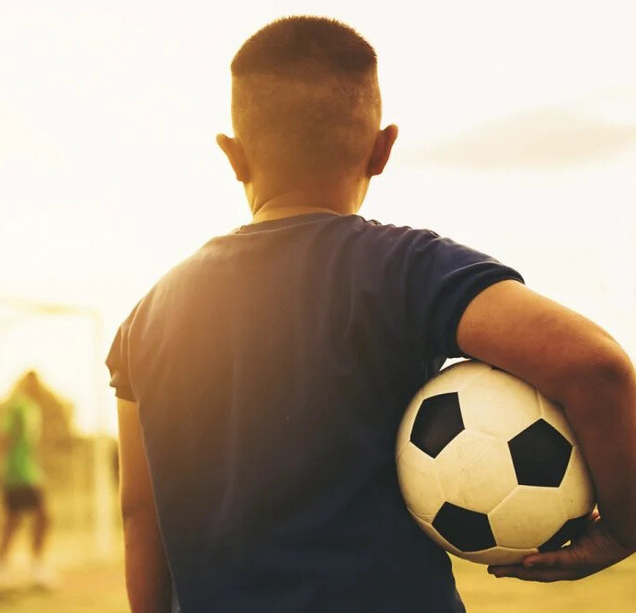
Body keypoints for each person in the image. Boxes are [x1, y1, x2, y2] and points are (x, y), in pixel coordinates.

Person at [106, 15, 636, 613]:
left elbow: (139, 513)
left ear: (233, 155)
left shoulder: (145, 318)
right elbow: (595, 366)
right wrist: (624, 526)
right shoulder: (405, 270)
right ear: (383, 150)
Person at [0, 371, 53, 587]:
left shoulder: (33, 408)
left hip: (29, 472)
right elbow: (3, 437)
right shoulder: (16, 406)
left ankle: (34, 565)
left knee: (40, 518)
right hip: (14, 473)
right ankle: (3, 566)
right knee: (15, 520)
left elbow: (29, 446)